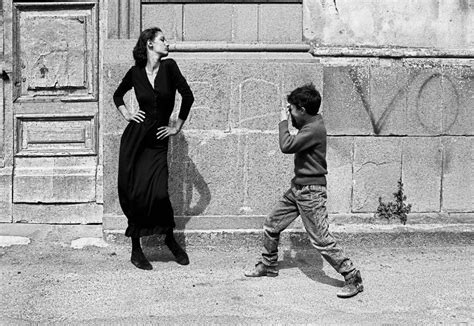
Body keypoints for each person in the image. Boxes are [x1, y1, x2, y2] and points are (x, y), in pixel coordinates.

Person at [244, 83, 363, 298]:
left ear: (302, 110)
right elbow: (297, 134)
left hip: (311, 192)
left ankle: (352, 276)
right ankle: (268, 265)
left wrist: (282, 122)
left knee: (321, 239)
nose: (290, 113)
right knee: (272, 224)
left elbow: (287, 146)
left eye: (292, 109)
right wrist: (291, 116)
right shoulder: (311, 123)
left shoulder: (314, 129)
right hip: (298, 188)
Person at [113, 27, 194, 270]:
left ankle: (169, 238)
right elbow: (118, 95)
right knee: (136, 194)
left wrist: (176, 127)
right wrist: (128, 114)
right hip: (135, 141)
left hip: (158, 141)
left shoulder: (170, 67)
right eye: (162, 40)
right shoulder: (135, 72)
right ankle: (136, 250)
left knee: (159, 192)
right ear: (149, 44)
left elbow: (187, 96)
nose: (167, 43)